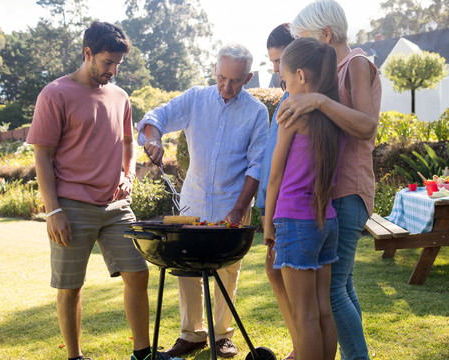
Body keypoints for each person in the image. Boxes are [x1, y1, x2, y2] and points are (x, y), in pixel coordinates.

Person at [27, 22, 177, 360]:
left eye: (118, 65)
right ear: (88, 53)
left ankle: (142, 353)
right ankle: (75, 356)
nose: (113, 71)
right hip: (71, 204)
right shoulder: (54, 94)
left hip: (116, 205)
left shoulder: (120, 97)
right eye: (107, 63)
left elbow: (128, 142)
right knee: (70, 287)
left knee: (138, 273)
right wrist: (53, 211)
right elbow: (43, 155)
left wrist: (129, 174)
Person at [138, 43, 268, 358]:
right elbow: (157, 116)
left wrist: (239, 209)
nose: (227, 86)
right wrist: (154, 138)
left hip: (233, 204)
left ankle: (223, 335)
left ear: (247, 77)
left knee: (227, 271)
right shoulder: (196, 99)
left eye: (235, 80)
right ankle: (191, 335)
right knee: (187, 269)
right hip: (193, 202)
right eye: (222, 77)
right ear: (215, 70)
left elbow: (257, 165)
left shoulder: (256, 112)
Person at [277, 1, 382, 359]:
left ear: (325, 35)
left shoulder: (355, 64)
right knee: (343, 286)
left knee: (334, 291)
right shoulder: (332, 72)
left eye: (304, 40)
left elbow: (367, 126)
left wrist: (318, 100)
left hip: (348, 190)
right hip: (328, 197)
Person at [264, 36, 344, 360]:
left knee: (304, 315)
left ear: (300, 75)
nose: (284, 87)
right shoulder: (334, 113)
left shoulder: (291, 112)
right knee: (324, 311)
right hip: (327, 221)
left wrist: (268, 225)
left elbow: (275, 177)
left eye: (284, 79)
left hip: (294, 220)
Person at [255, 23, 297, 360]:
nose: (275, 69)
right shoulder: (286, 96)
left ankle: (304, 348)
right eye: (272, 62)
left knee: (287, 275)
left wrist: (271, 211)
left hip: (288, 205)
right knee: (273, 271)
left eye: (279, 60)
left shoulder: (298, 100)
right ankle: (301, 346)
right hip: (273, 203)